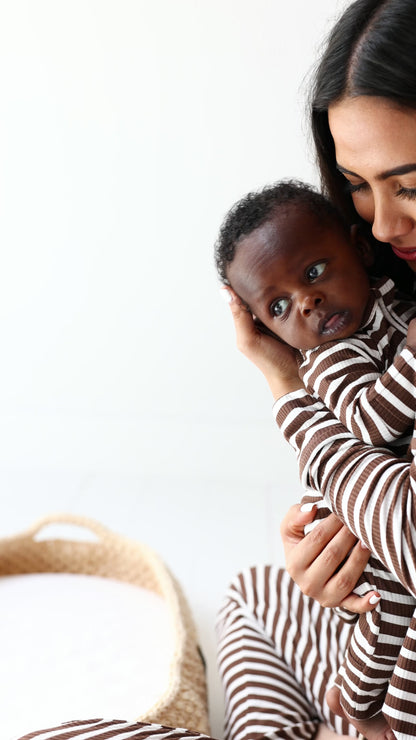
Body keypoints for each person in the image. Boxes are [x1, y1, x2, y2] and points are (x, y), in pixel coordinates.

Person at [219, 1, 416, 739]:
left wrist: (286, 389)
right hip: (383, 633)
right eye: (358, 185)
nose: (381, 225)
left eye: (410, 184)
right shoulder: (380, 301)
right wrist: (331, 576)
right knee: (258, 592)